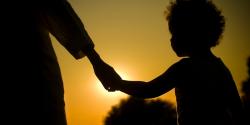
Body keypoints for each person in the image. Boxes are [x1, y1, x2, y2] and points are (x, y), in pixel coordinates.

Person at [85, 0, 244, 125]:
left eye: (175, 33)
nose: (171, 39)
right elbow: (237, 110)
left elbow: (149, 90)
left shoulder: (184, 69)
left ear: (189, 34)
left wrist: (119, 84)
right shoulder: (221, 68)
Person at [2, 0, 93, 125]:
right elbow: (57, 8)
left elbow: (56, 8)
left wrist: (96, 61)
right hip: (39, 78)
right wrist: (96, 61)